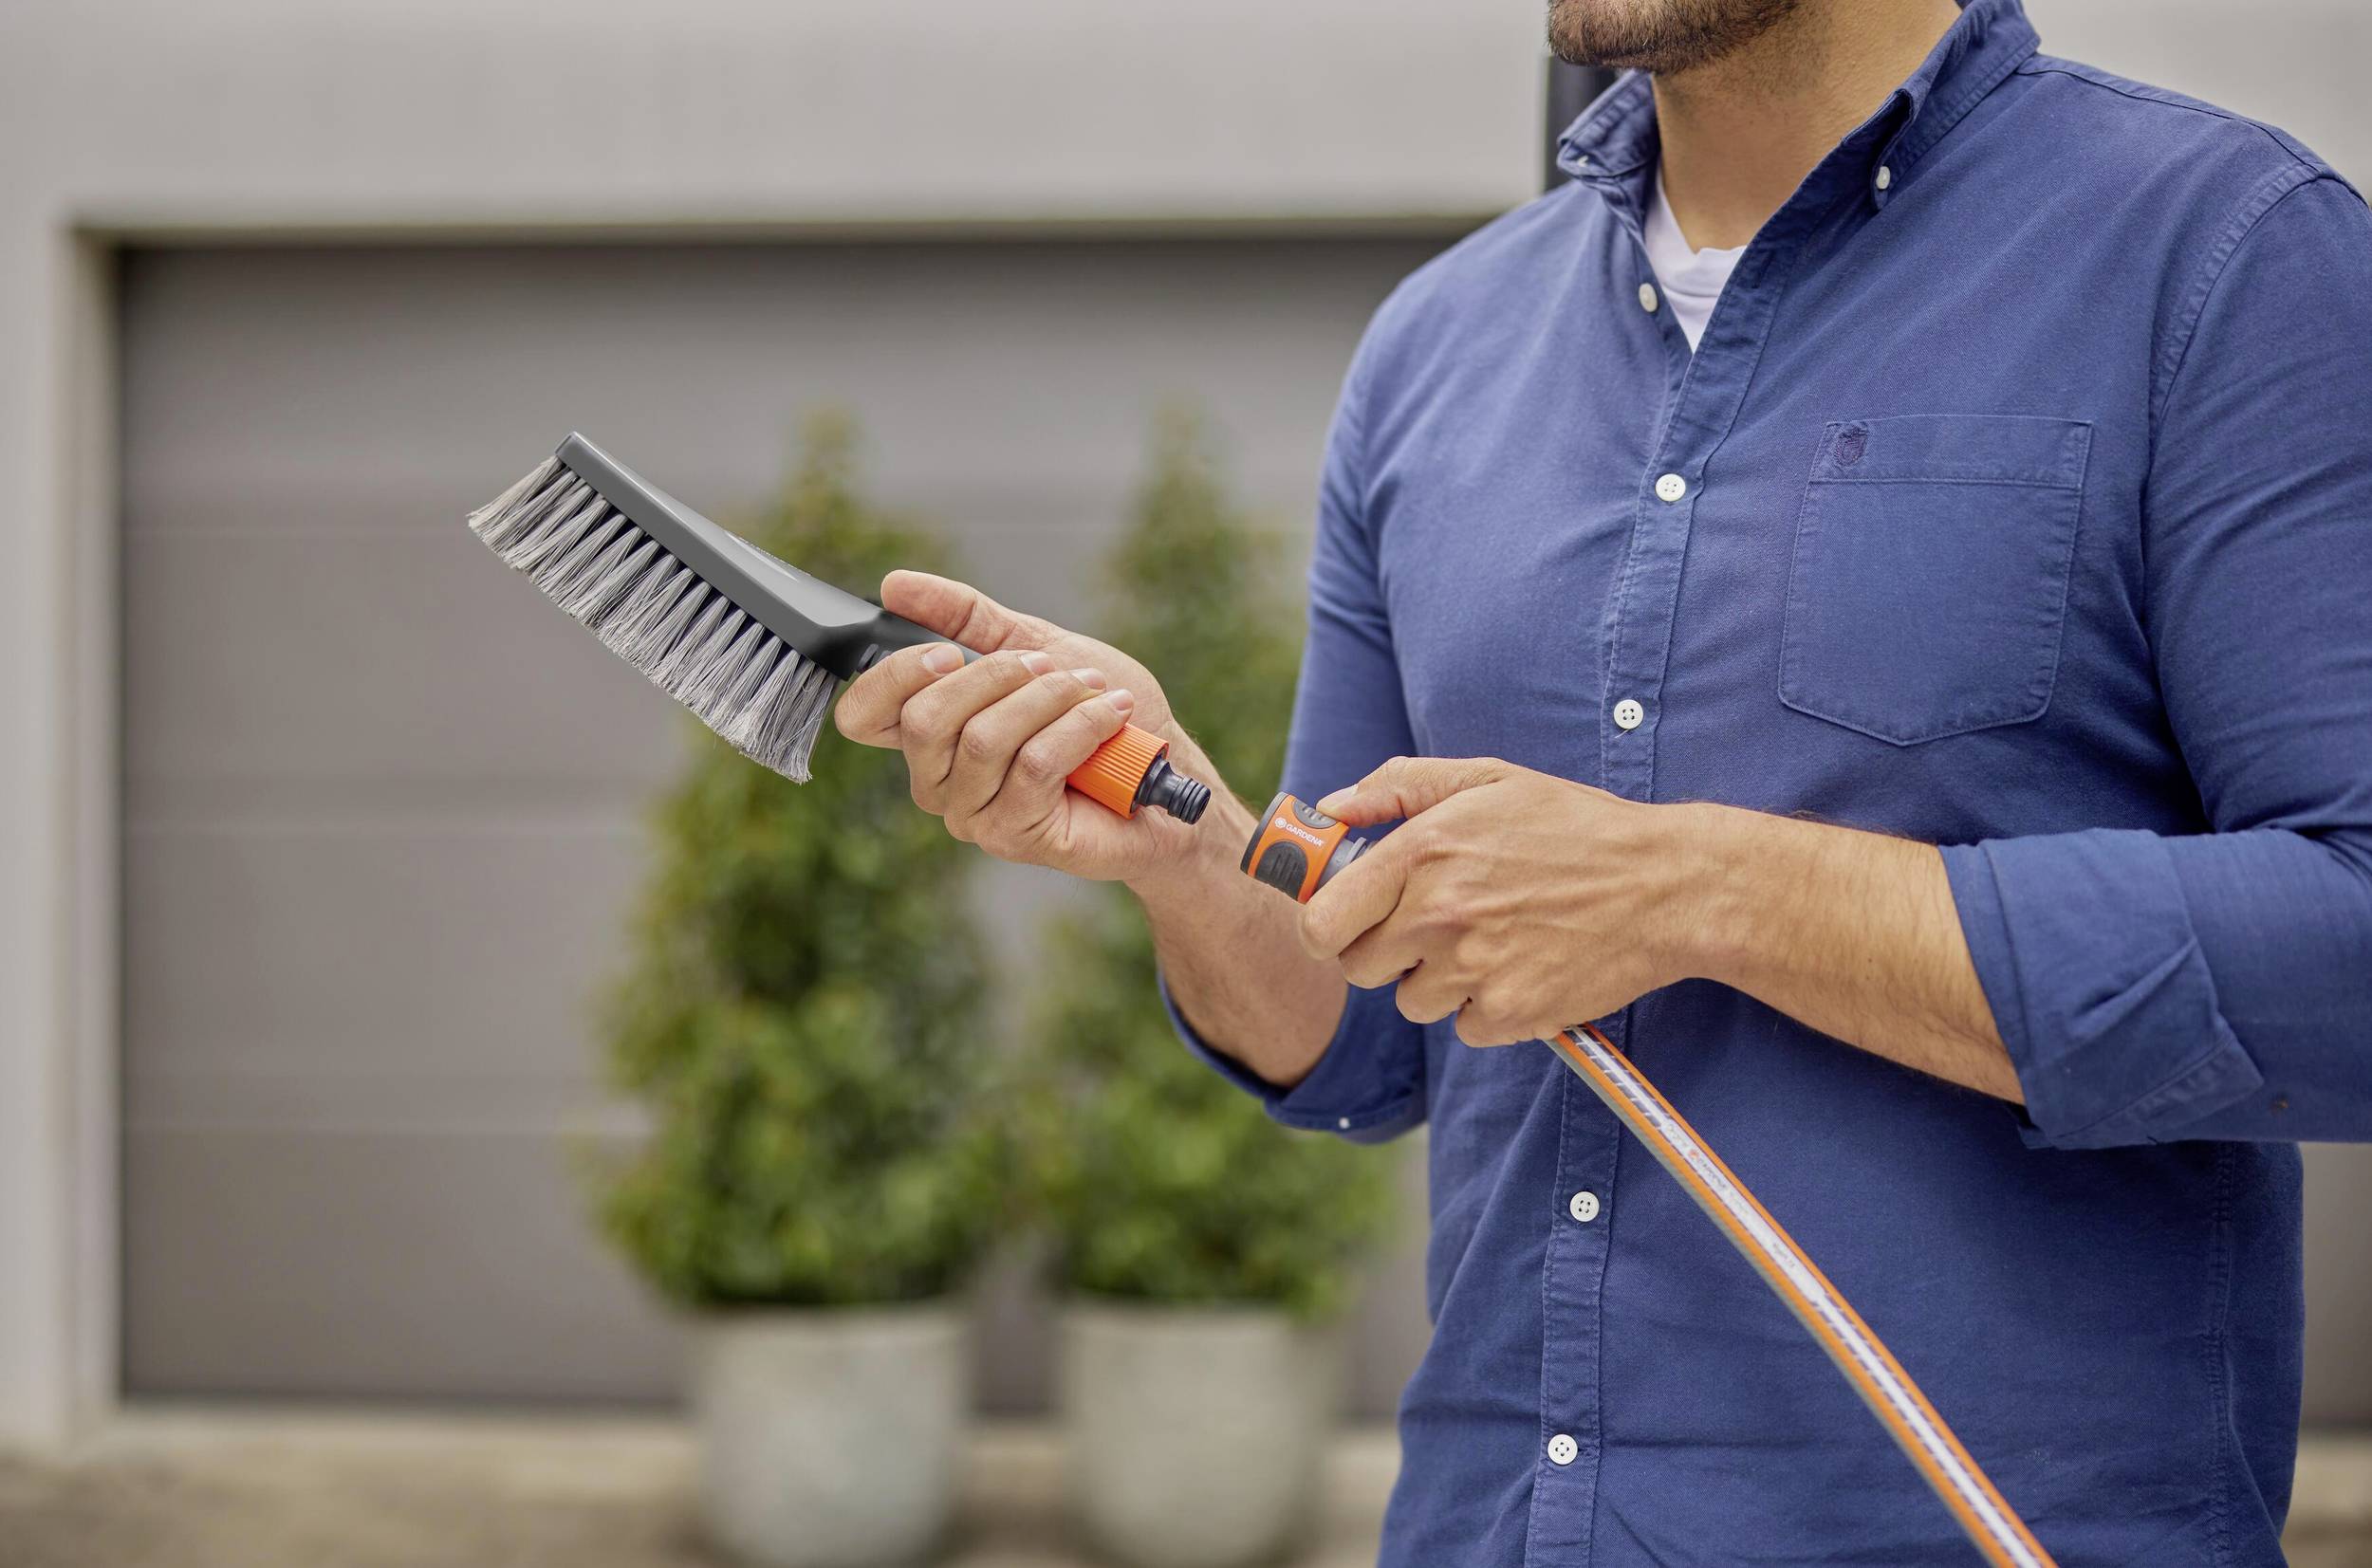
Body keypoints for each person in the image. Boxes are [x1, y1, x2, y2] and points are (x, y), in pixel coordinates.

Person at [834, 0, 2372, 1559]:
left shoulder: (2226, 261)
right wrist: (1187, 843)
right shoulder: (1437, 346)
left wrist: (1700, 889)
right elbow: (1361, 1037)